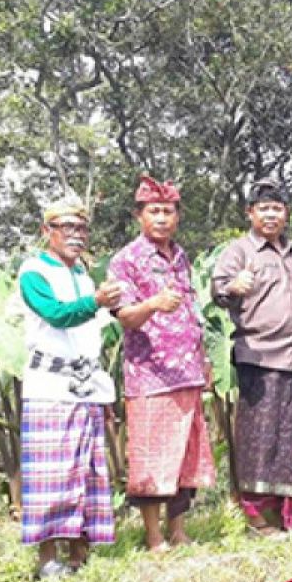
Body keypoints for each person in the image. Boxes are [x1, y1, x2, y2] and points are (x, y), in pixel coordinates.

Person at [210, 177, 292, 534]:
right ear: (250, 213)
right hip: (261, 356)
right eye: (263, 208)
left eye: (277, 208)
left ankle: (290, 512)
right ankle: (255, 516)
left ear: (286, 213)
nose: (271, 215)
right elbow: (219, 291)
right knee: (260, 440)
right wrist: (233, 287)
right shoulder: (239, 251)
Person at [108, 176, 216, 552]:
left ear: (177, 216)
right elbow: (125, 317)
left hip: (186, 371)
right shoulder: (126, 260)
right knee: (153, 456)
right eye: (153, 211)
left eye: (168, 211)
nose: (161, 219)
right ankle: (154, 537)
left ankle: (179, 530)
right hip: (150, 374)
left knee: (183, 455)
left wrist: (204, 360)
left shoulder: (181, 257)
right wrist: (152, 304)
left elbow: (193, 311)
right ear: (139, 216)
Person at [17, 199, 123, 578]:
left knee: (88, 469)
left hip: (85, 383)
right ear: (48, 231)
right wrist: (96, 301)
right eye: (67, 228)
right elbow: (58, 316)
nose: (76, 235)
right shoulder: (33, 273)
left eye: (81, 229)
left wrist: (102, 394)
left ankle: (80, 553)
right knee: (52, 472)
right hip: (50, 383)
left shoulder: (81, 273)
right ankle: (47, 559)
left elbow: (88, 335)